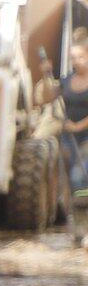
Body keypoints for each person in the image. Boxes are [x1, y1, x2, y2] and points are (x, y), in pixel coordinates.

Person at [63, 28, 88, 199]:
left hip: (85, 135)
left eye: (80, 57)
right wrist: (45, 73)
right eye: (73, 58)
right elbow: (49, 96)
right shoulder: (67, 80)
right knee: (67, 170)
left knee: (78, 175)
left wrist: (78, 126)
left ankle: (82, 205)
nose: (76, 61)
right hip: (69, 135)